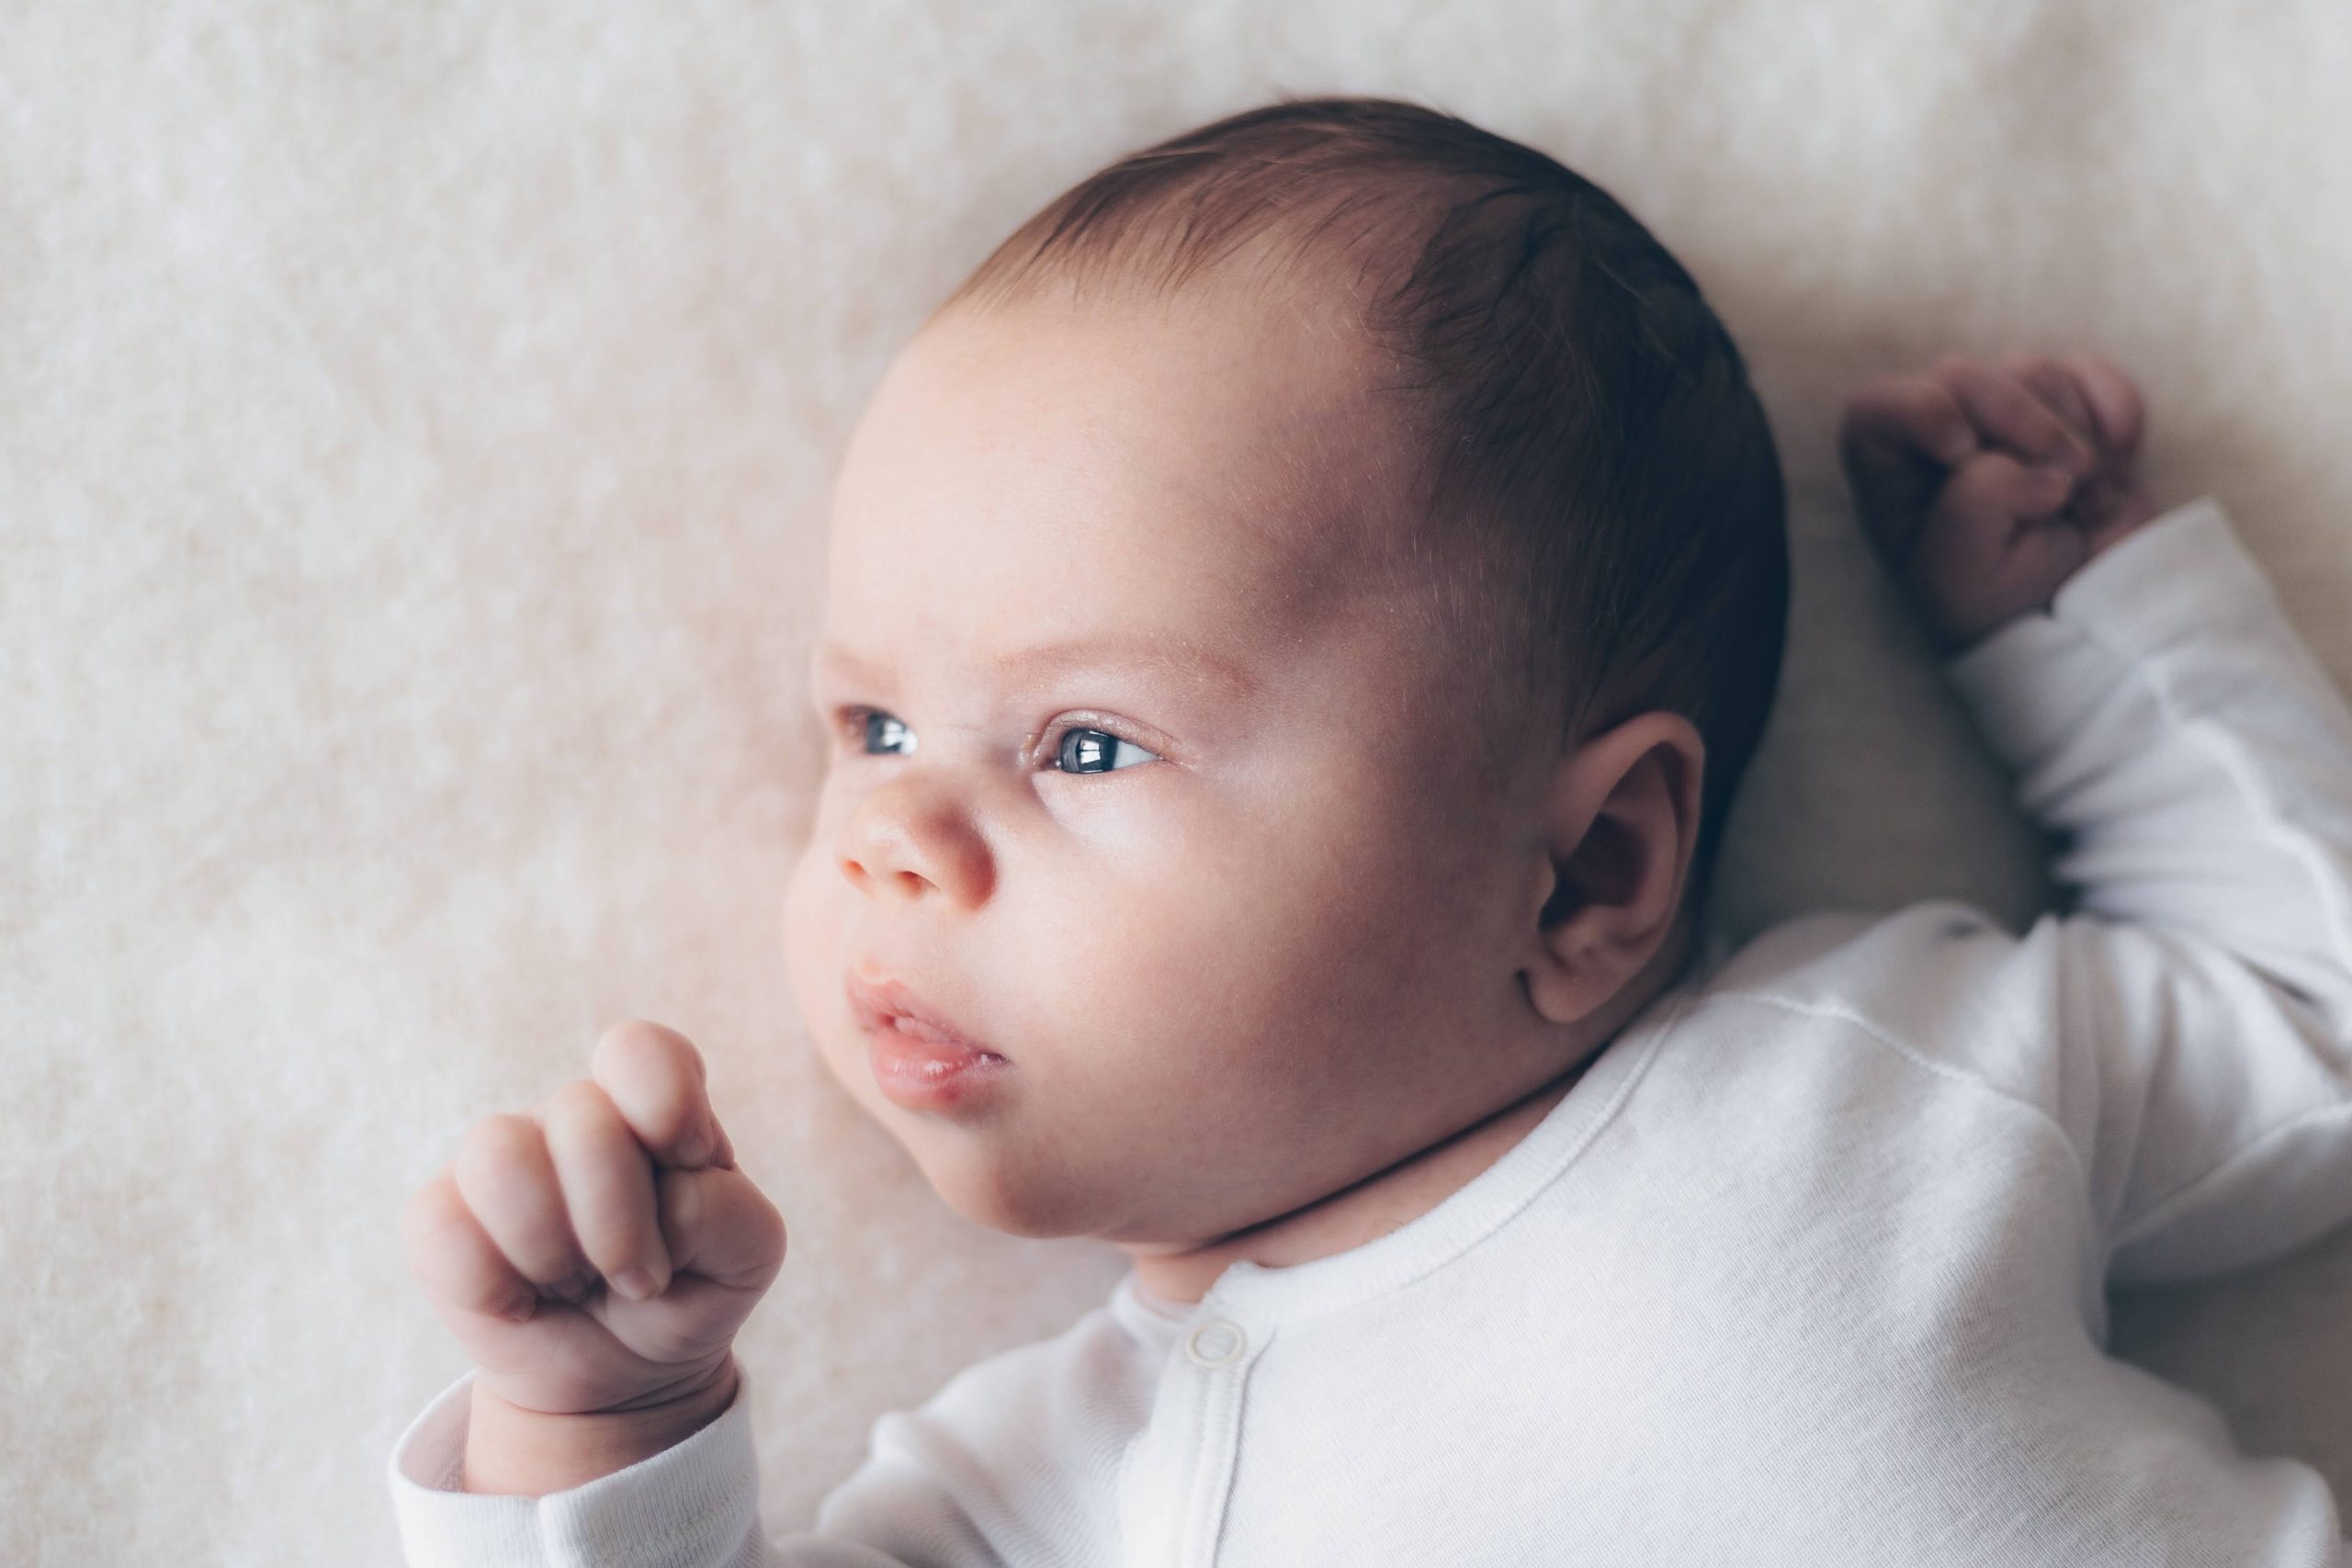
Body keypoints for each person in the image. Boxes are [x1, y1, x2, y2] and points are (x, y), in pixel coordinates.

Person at [386, 96, 2352, 1563]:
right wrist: (601, 1418)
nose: (893, 832)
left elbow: (2309, 1016)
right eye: (874, 722)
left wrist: (2081, 628)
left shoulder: (1871, 1077)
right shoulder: (1048, 1483)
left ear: (1581, 870)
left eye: (1082, 743)